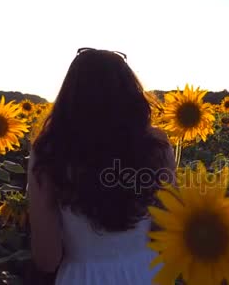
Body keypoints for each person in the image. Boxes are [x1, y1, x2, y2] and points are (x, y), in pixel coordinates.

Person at [27, 48, 175, 284]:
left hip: (83, 276)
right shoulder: (155, 146)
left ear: (70, 95)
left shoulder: (50, 152)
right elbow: (166, 230)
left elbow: (47, 259)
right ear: (131, 92)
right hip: (147, 272)